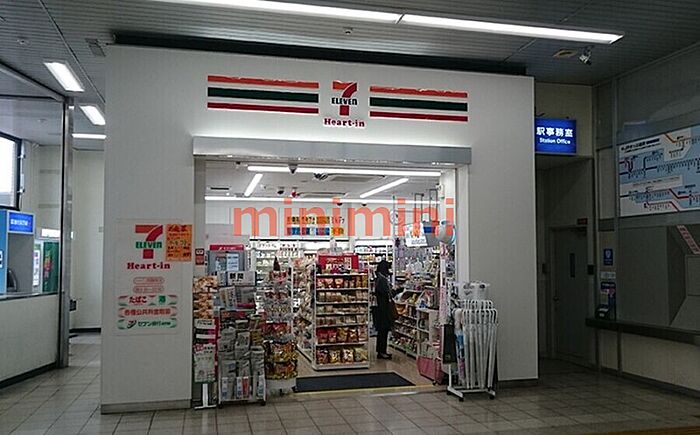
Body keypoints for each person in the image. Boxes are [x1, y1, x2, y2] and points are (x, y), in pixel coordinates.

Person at [374, 260, 394, 359]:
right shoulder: (382, 280)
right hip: (383, 309)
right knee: (383, 331)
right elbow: (386, 293)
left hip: (380, 308)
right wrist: (395, 291)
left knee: (382, 332)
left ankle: (381, 351)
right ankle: (382, 352)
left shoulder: (379, 278)